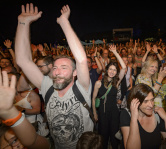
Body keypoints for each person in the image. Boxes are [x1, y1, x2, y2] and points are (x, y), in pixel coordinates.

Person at [15, 3, 93, 149]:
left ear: (75, 72)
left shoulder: (82, 88)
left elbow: (81, 60)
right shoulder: (47, 86)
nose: (57, 71)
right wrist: (23, 23)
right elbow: (22, 60)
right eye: (55, 67)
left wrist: (64, 23)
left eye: (64, 67)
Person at [120, 83, 166, 149]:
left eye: (152, 100)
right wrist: (134, 118)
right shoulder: (126, 114)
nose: (151, 105)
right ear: (135, 102)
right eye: (145, 101)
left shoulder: (157, 114)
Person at [92, 44, 126, 149]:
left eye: (114, 70)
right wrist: (94, 113)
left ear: (116, 72)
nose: (112, 71)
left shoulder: (116, 82)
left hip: (114, 112)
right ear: (106, 70)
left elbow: (124, 68)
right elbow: (93, 98)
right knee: (103, 137)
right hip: (102, 112)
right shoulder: (98, 83)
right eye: (110, 69)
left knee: (114, 136)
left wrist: (115, 52)